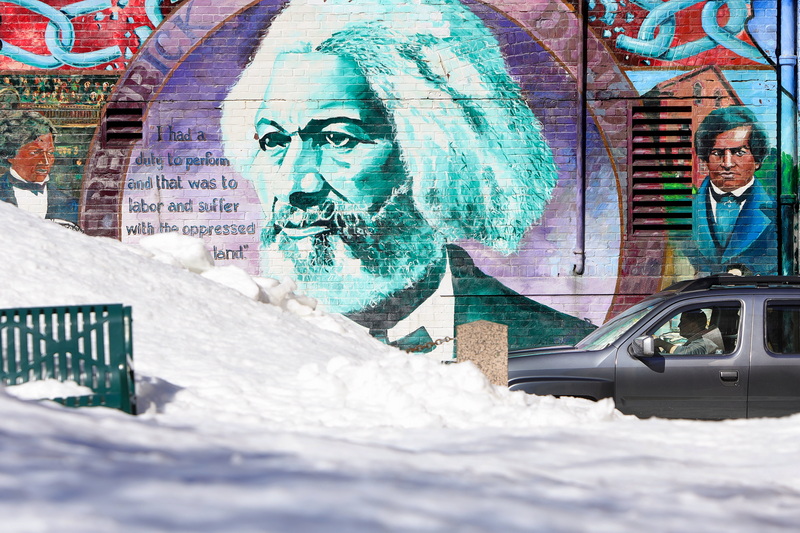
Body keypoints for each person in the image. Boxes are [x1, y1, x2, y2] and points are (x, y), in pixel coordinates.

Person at [221, 0, 595, 355]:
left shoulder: (546, 343)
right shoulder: (232, 348)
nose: (296, 185)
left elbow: (499, 410)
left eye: (338, 138)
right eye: (274, 140)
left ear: (436, 153)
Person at [689, 106, 776, 275]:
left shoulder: (777, 213)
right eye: (717, 153)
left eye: (739, 152)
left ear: (757, 160)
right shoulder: (682, 213)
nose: (727, 163)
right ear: (705, 159)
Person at [0, 110, 80, 229]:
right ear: (10, 155)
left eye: (50, 153)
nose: (46, 162)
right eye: (35, 152)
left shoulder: (71, 206)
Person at [654, 310, 724, 355]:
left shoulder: (707, 341)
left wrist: (662, 344)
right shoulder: (702, 338)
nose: (679, 325)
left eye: (683, 322)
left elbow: (685, 354)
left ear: (693, 325)